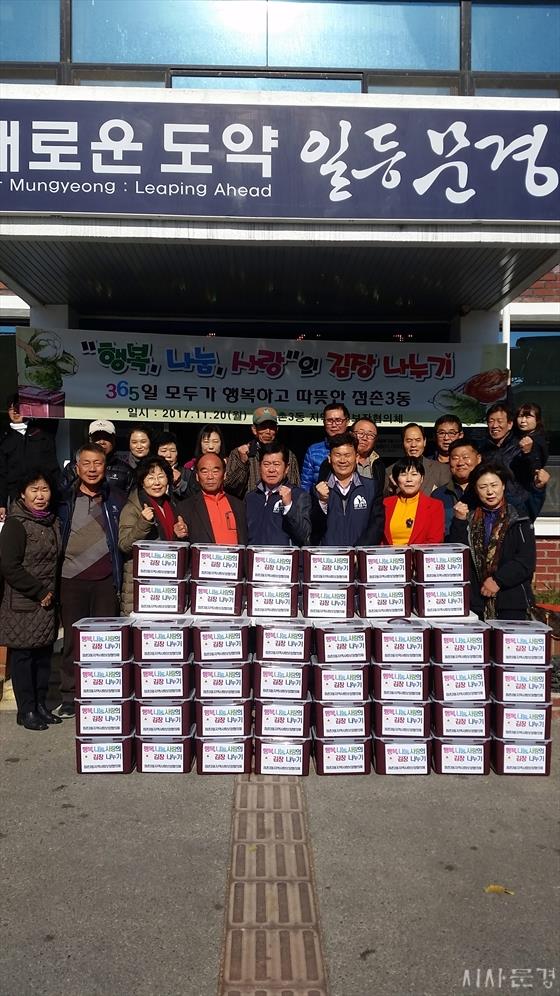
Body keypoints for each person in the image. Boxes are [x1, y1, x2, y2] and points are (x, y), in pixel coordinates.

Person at [55, 444, 124, 718]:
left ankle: (102, 692)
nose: (92, 469)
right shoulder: (64, 500)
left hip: (106, 579)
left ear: (105, 466)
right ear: (77, 467)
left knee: (105, 641)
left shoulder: (116, 499)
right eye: (87, 463)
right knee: (73, 641)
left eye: (98, 463)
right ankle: (70, 694)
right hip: (71, 578)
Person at [0, 471, 62, 730]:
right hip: (24, 602)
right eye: (34, 490)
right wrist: (38, 591)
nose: (40, 495)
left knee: (43, 656)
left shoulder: (52, 521)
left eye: (44, 489)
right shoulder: (16, 524)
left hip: (47, 603)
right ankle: (26, 709)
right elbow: (9, 566)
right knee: (24, 658)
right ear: (22, 494)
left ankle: (40, 705)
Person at [449, 462, 536, 621]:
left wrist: (498, 581)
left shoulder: (519, 518)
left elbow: (525, 560)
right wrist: (459, 522)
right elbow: (457, 556)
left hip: (510, 600)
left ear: (503, 486)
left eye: (494, 485)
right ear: (476, 490)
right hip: (475, 601)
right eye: (483, 487)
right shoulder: (469, 517)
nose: (490, 492)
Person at [118, 456, 188, 615]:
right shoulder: (133, 507)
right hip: (141, 587)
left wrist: (179, 534)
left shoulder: (171, 503)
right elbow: (124, 545)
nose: (156, 482)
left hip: (166, 584)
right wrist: (143, 522)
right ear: (142, 482)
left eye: (161, 476)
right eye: (150, 478)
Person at [311, 432, 384, 546]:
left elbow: (376, 526)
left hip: (360, 555)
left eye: (347, 455)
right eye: (337, 455)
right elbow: (314, 530)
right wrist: (322, 501)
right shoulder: (318, 490)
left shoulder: (372, 487)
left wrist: (357, 552)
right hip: (329, 555)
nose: (342, 460)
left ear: (356, 458)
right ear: (329, 458)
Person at [480, 403, 548, 519]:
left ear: (510, 424)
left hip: (518, 509)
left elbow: (535, 472)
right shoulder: (482, 449)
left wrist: (528, 453)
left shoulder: (523, 445)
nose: (495, 425)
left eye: (500, 421)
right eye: (491, 421)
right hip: (488, 510)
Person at [0, 393, 60, 521]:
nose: (15, 412)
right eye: (11, 409)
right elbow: (2, 474)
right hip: (16, 498)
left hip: (44, 495)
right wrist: (2, 503)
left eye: (18, 407)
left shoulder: (43, 431)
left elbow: (53, 404)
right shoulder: (4, 437)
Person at [245, 442, 312, 546]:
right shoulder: (250, 498)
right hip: (254, 555)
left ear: (286, 468)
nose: (271, 470)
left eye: (276, 464)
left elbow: (304, 536)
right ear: (259, 467)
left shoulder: (299, 495)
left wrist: (288, 506)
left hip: (283, 556)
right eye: (266, 464)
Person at [225, 406, 300, 498]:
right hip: (248, 505)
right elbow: (230, 489)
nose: (268, 431)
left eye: (271, 427)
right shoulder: (239, 453)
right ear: (254, 429)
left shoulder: (288, 455)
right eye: (263, 426)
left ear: (277, 429)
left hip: (279, 505)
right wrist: (243, 464)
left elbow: (295, 489)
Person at [179, 453, 248, 544]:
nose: (210, 477)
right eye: (204, 472)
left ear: (224, 475)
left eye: (215, 471)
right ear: (197, 477)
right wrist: (179, 534)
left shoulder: (239, 505)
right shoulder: (186, 508)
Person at [382, 456, 445, 545]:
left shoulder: (435, 506)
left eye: (414, 474)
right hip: (388, 553)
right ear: (396, 479)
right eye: (403, 474)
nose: (409, 479)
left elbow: (435, 540)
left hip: (419, 554)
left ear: (422, 478)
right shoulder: (385, 504)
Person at [63, 419, 133, 494]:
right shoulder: (72, 467)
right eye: (97, 437)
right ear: (90, 440)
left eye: (106, 437)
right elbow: (63, 494)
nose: (102, 442)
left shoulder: (126, 470)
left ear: (113, 440)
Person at [317, 417, 385, 493]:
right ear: (351, 434)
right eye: (360, 433)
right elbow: (322, 491)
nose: (365, 438)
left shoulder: (378, 464)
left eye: (370, 435)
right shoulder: (332, 462)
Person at [432, 439, 482, 538]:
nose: (460, 463)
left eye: (465, 457)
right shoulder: (438, 495)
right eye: (455, 458)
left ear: (478, 458)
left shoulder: (485, 492)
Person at [385, 422, 451, 496]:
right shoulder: (390, 471)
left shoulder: (442, 470)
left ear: (424, 442)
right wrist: (391, 488)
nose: (413, 445)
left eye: (418, 440)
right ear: (402, 443)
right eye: (409, 441)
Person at [300, 402, 350, 491]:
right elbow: (305, 485)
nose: (334, 425)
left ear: (347, 422)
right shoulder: (313, 450)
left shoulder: (355, 448)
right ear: (324, 422)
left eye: (338, 420)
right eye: (329, 420)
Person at [512, 402, 549, 490]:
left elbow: (535, 468)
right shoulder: (518, 437)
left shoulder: (536, 440)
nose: (523, 420)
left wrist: (527, 453)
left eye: (528, 417)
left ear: (537, 419)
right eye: (520, 416)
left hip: (526, 488)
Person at [155, 430, 195, 498]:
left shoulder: (187, 474)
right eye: (164, 451)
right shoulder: (149, 472)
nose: (168, 455)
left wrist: (179, 483)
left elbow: (194, 498)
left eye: (173, 451)